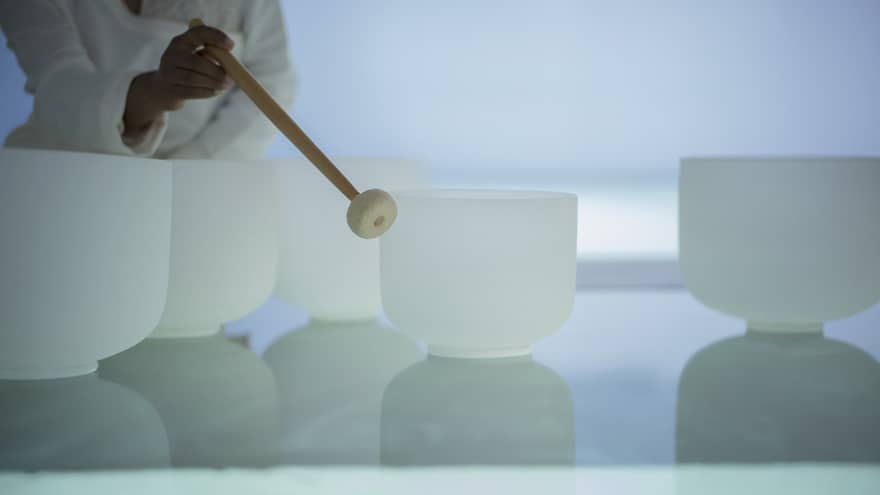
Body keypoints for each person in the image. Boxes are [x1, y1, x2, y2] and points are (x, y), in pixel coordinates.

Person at [0, 0, 295, 158]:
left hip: (201, 189)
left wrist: (191, 167)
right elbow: (61, 86)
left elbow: (275, 80)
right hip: (62, 180)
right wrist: (157, 91)